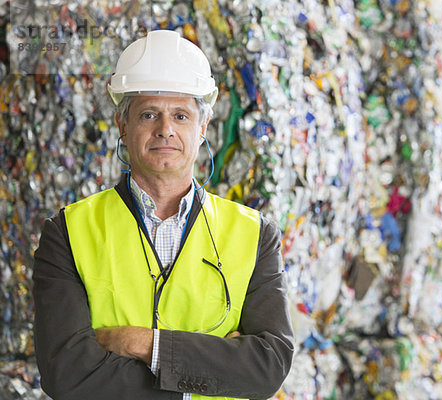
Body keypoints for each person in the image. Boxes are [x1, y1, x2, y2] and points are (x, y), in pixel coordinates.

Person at [33, 30, 294, 400]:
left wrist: (143, 344)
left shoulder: (255, 234)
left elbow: (268, 368)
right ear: (123, 126)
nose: (165, 129)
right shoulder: (68, 232)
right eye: (149, 114)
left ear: (202, 128)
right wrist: (208, 376)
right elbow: (66, 373)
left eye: (181, 115)